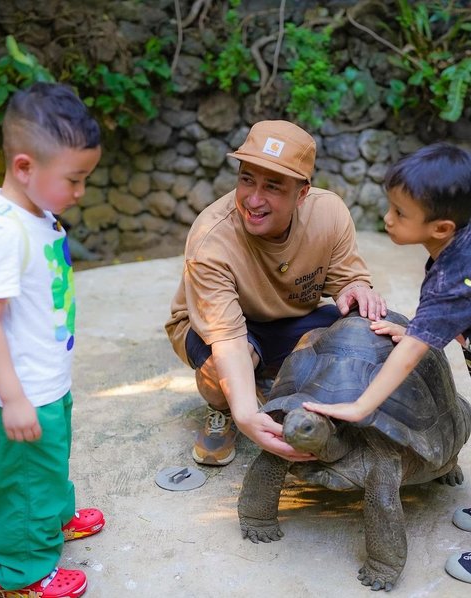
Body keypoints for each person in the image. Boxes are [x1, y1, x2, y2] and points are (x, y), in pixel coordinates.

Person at [165, 119, 387, 467]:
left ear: (301, 193)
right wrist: (245, 415)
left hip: (292, 319)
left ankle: (273, 381)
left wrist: (356, 289)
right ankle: (222, 409)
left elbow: (349, 278)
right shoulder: (212, 237)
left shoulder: (328, 212)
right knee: (217, 376)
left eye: (273, 186)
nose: (254, 199)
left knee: (363, 327)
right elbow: (228, 340)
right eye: (246, 179)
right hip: (224, 329)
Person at [304, 142, 471, 584]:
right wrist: (421, 327)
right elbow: (456, 311)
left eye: (399, 213)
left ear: (442, 227)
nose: (387, 219)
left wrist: (361, 408)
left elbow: (409, 357)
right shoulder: (459, 245)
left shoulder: (454, 277)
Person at [0, 83, 105, 598]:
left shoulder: (38, 215)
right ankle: (24, 572)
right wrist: (12, 397)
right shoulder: (5, 231)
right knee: (23, 483)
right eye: (74, 180)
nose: (80, 192)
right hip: (21, 390)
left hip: (47, 379)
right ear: (23, 168)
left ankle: (55, 520)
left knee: (50, 459)